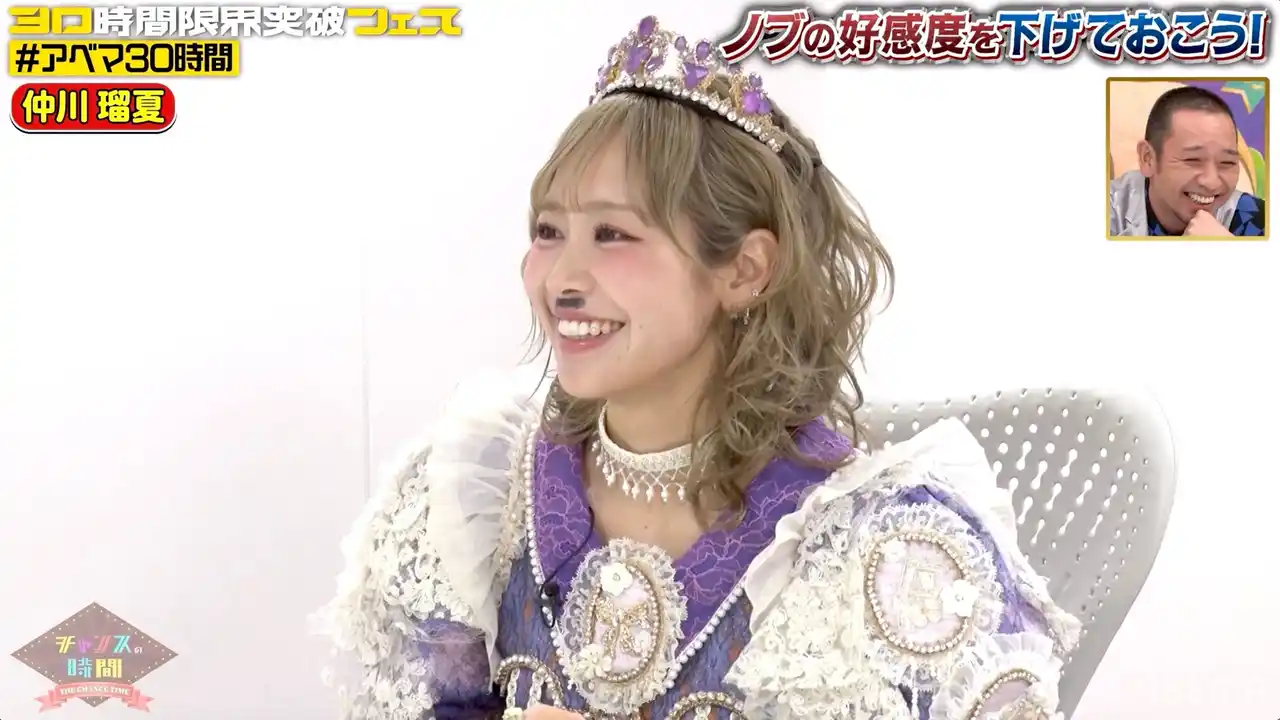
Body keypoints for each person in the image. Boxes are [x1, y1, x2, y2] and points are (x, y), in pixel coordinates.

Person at [313, 16, 1080, 720]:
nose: (561, 280)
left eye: (612, 235)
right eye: (548, 231)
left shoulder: (886, 552)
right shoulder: (479, 496)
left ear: (745, 270)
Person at [1110, 85, 1266, 238]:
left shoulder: (1257, 219)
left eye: (1227, 162)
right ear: (1148, 158)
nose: (1211, 183)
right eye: (1193, 160)